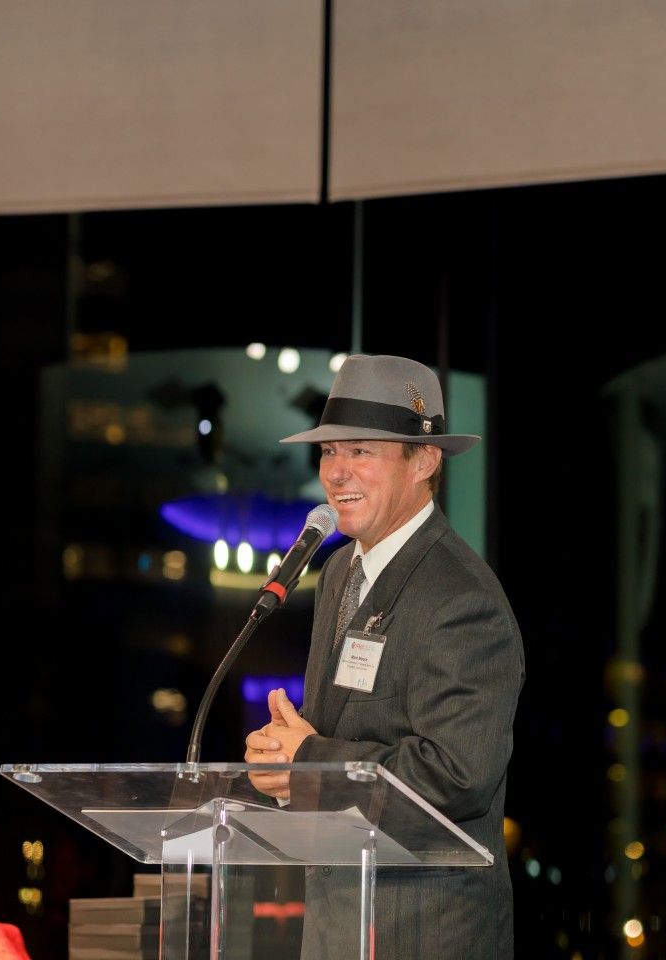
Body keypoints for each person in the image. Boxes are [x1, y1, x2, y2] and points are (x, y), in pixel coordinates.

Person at [244, 354, 524, 959]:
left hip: (422, 934)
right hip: (336, 929)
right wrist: (290, 773)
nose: (337, 473)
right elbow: (339, 742)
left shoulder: (460, 597)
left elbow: (457, 777)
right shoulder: (339, 571)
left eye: (361, 451)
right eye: (328, 452)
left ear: (424, 461)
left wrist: (310, 759)